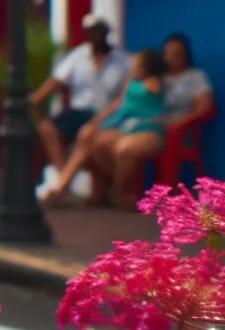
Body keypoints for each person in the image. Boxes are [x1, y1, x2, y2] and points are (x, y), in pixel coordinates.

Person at [88, 32, 214, 202]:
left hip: (172, 132)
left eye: (177, 53)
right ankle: (112, 190)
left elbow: (205, 107)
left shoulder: (194, 77)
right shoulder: (156, 77)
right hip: (138, 125)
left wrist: (180, 123)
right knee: (96, 141)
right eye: (168, 53)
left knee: (124, 149)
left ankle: (121, 193)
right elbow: (128, 99)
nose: (171, 58)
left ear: (186, 55)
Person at [43, 48, 170, 206]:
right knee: (87, 139)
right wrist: (95, 122)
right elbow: (118, 104)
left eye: (136, 63)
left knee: (122, 149)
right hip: (125, 127)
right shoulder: (131, 83)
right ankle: (63, 185)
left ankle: (119, 191)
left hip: (146, 129)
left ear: (144, 68)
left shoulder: (154, 84)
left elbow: (156, 92)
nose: (131, 65)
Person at [31, 14, 130, 175]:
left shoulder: (122, 59)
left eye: (99, 32)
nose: (95, 36)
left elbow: (127, 92)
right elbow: (57, 80)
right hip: (78, 112)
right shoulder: (78, 56)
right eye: (91, 32)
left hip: (107, 114)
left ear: (106, 33)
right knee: (47, 128)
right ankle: (63, 176)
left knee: (90, 137)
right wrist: (35, 99)